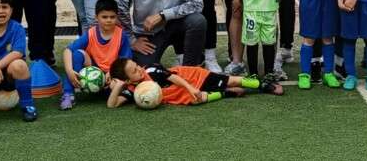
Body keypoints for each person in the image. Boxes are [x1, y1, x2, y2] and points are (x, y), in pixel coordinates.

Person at [108, 57, 283, 107]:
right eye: (134, 71)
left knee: (230, 80)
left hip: (193, 77)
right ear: (127, 80)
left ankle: (262, 85)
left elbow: (174, 78)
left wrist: (191, 87)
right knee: (197, 100)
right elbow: (112, 105)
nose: (139, 69)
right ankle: (226, 94)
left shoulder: (151, 71)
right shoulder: (132, 89)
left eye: (137, 65)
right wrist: (119, 86)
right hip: (180, 94)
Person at [60, 0, 133, 110]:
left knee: (114, 89)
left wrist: (112, 72)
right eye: (104, 17)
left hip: (112, 73)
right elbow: (67, 50)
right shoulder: (91, 33)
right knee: (77, 54)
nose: (109, 20)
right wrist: (70, 71)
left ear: (117, 17)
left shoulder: (121, 35)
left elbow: (125, 61)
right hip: (94, 68)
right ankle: (68, 94)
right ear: (96, 17)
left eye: (112, 17)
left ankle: (105, 91)